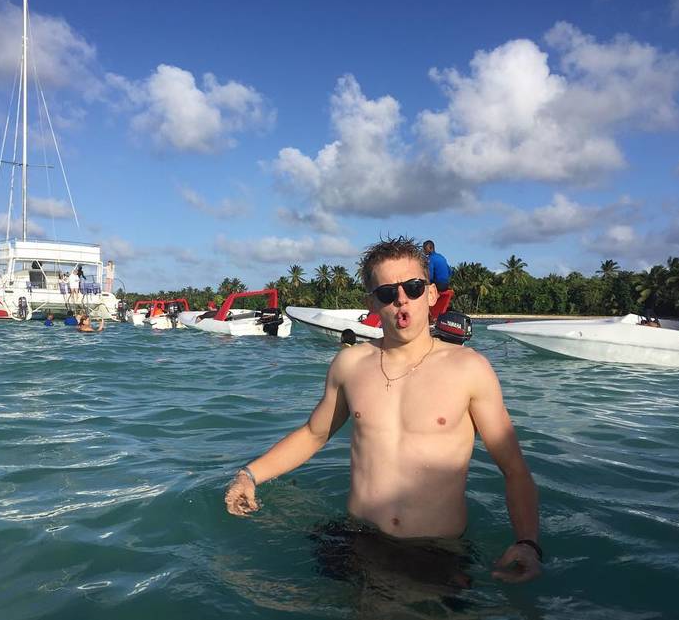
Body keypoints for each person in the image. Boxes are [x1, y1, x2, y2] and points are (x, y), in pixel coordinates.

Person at [225, 236, 541, 583]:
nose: (401, 299)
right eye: (388, 293)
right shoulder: (350, 364)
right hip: (356, 538)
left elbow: (514, 469)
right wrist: (249, 475)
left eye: (413, 288)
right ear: (372, 303)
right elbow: (313, 434)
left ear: (431, 294)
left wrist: (528, 543)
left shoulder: (470, 369)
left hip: (435, 549)